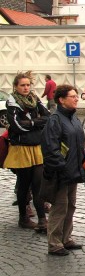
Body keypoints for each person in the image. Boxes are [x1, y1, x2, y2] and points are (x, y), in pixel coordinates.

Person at [41, 84, 85, 256]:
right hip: (60, 173)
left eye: (76, 96)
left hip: (74, 170)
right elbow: (51, 149)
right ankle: (54, 243)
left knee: (71, 205)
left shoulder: (73, 118)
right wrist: (61, 167)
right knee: (60, 207)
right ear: (61, 99)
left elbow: (78, 144)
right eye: (73, 96)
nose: (76, 99)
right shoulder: (55, 120)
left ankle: (66, 238)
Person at [3, 71, 50, 230]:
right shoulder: (12, 103)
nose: (26, 88)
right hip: (21, 149)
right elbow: (17, 126)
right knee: (24, 184)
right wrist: (36, 123)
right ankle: (23, 217)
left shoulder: (35, 99)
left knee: (38, 184)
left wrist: (31, 122)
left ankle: (42, 220)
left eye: (28, 85)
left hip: (36, 147)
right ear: (16, 87)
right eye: (22, 85)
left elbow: (48, 117)